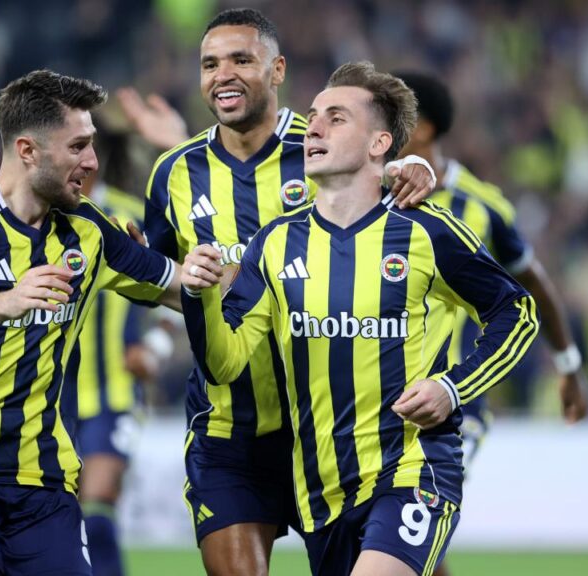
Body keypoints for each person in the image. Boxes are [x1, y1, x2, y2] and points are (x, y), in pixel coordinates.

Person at [179, 61, 539, 576]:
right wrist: (201, 297)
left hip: (414, 465)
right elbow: (225, 363)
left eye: (336, 118)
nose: (314, 128)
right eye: (312, 116)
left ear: (379, 144)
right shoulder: (275, 244)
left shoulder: (426, 232)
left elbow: (517, 311)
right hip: (323, 490)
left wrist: (452, 388)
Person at [137, 9, 436, 574]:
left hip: (332, 432)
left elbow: (390, 193)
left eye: (240, 60)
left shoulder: (325, 145)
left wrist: (415, 166)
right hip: (230, 431)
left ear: (277, 70)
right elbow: (171, 283)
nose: (223, 75)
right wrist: (153, 274)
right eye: (210, 64)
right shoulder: (173, 172)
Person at [0, 69, 180, 576]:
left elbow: (190, 289)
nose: (92, 161)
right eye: (78, 147)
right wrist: (8, 301)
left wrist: (183, 154)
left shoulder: (92, 230)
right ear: (27, 150)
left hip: (44, 486)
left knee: (99, 517)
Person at [392, 69, 588, 576]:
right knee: (394, 536)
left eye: (393, 117)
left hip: (455, 399)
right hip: (381, 392)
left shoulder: (482, 206)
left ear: (424, 128)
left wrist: (568, 365)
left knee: (413, 523)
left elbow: (535, 285)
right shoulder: (371, 194)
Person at [66, 125, 166, 576]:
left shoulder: (127, 217)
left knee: (97, 506)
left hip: (115, 392)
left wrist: (155, 347)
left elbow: (179, 286)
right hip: (53, 397)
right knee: (61, 519)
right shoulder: (40, 218)